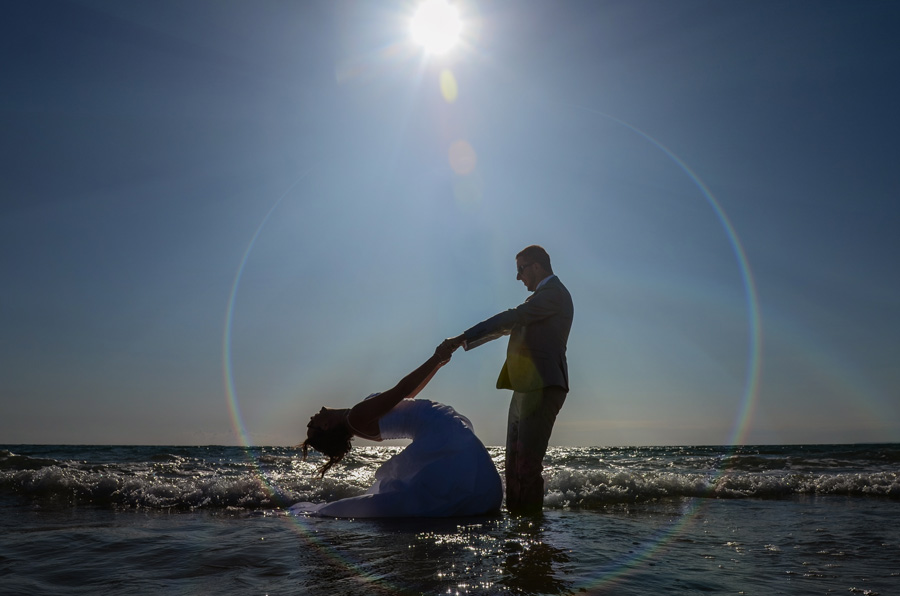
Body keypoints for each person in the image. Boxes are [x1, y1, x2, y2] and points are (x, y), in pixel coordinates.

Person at [292, 341, 502, 518]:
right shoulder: (355, 417)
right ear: (326, 426)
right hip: (437, 427)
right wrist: (435, 357)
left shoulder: (356, 422)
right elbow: (401, 389)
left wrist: (437, 365)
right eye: (312, 423)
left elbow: (406, 397)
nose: (312, 417)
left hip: (436, 425)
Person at [446, 245, 573, 515]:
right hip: (525, 388)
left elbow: (514, 318)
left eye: (521, 269)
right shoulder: (542, 297)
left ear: (537, 266)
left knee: (526, 465)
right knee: (513, 465)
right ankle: (517, 528)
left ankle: (530, 535)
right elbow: (513, 324)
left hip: (543, 386)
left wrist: (463, 337)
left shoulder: (554, 294)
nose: (518, 277)